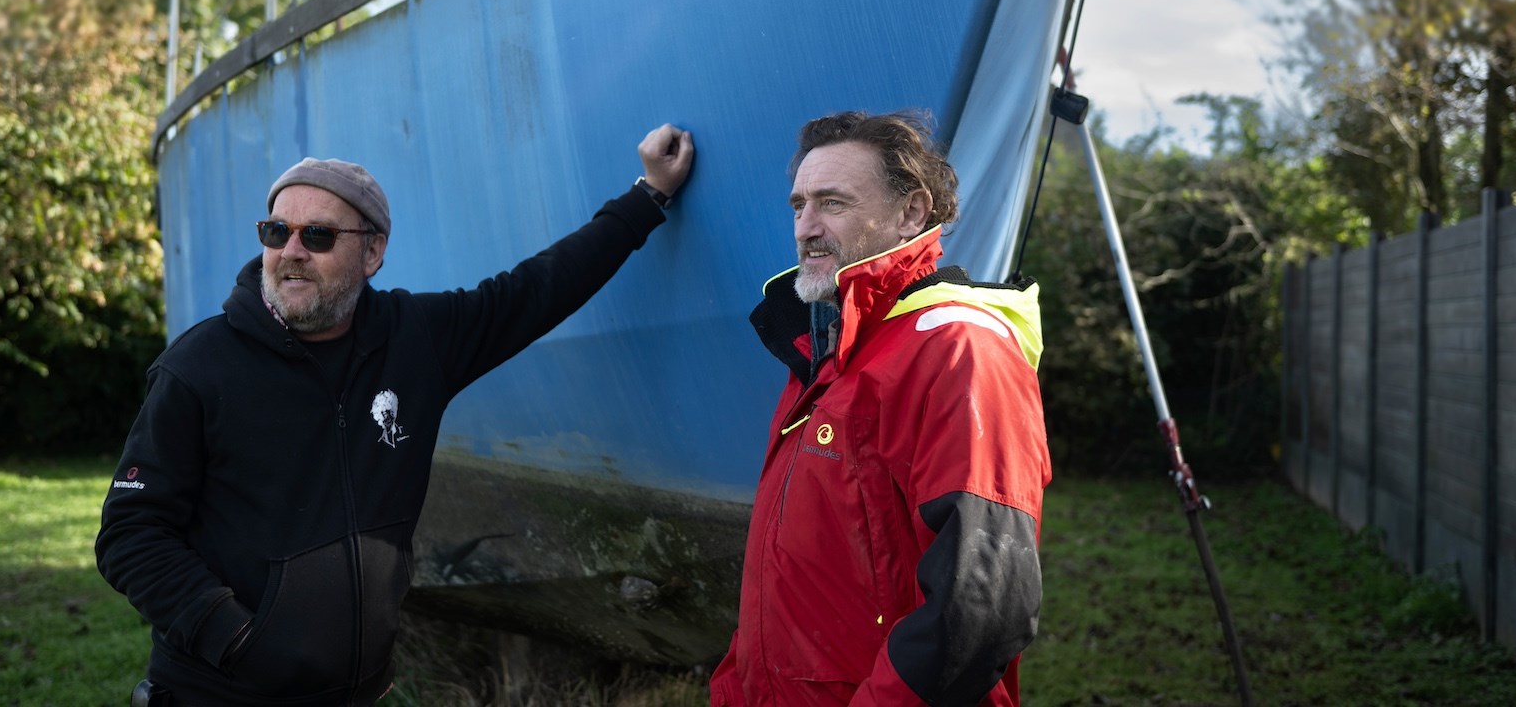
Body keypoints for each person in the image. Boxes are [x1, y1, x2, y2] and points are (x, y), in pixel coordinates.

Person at [96, 124, 694, 706]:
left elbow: (539, 288)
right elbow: (130, 533)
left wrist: (648, 196)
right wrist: (234, 638)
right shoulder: (199, 366)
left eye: (319, 236)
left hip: (355, 690)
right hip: (220, 691)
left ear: (373, 251)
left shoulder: (417, 340)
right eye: (276, 231)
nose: (292, 251)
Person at [709, 110, 1048, 707]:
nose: (805, 228)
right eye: (798, 205)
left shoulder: (958, 349)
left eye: (832, 203)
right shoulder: (828, 354)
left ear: (911, 212)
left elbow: (982, 607)